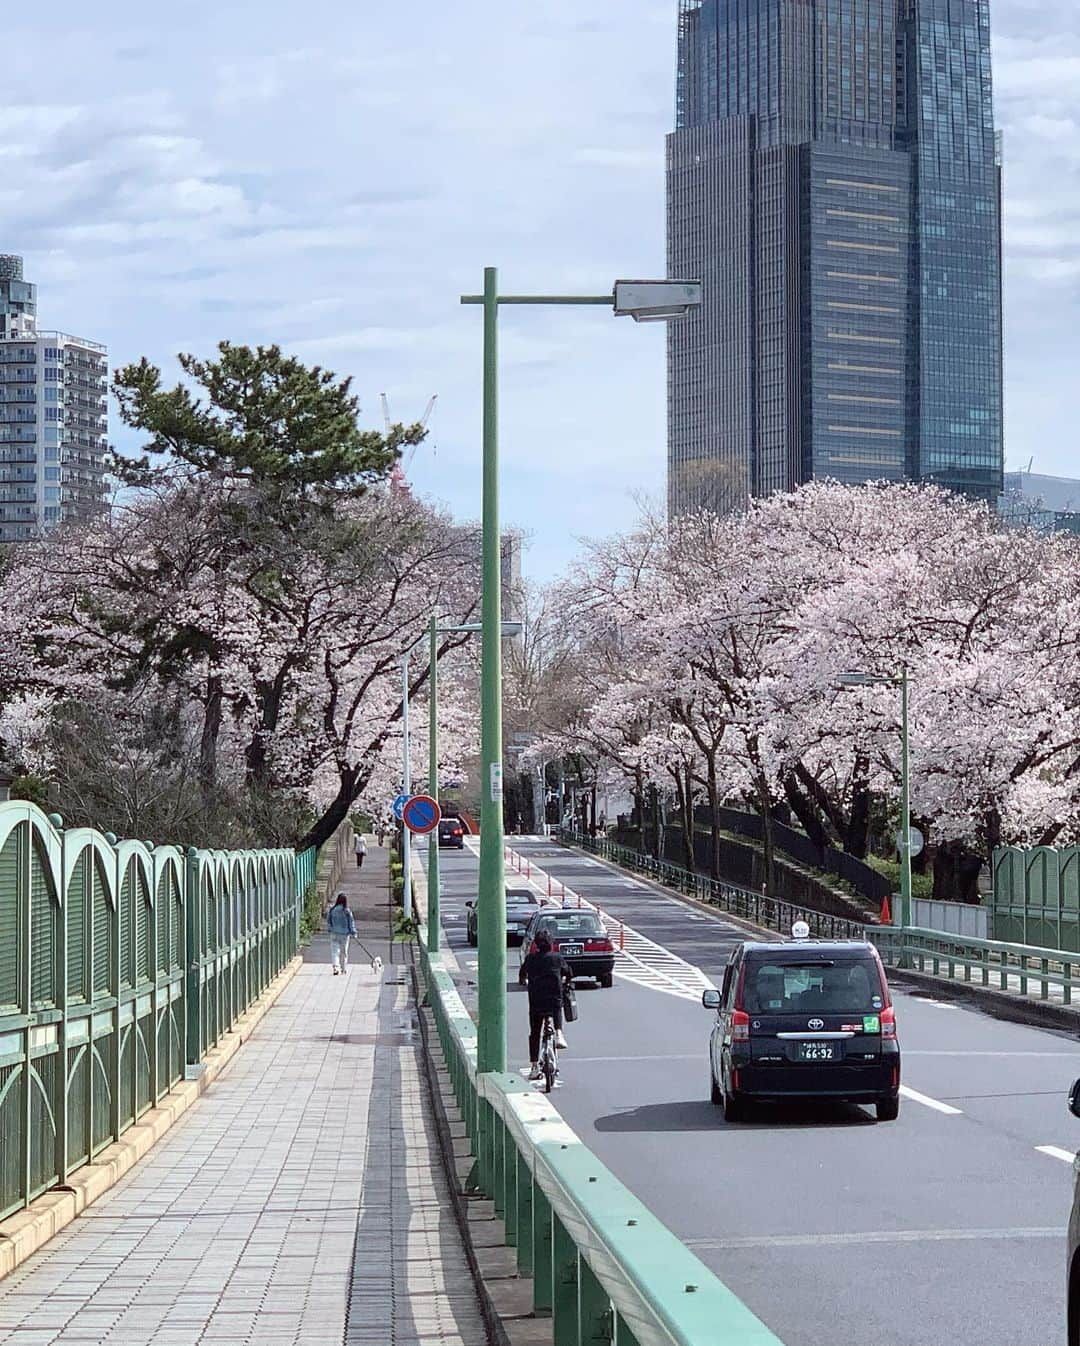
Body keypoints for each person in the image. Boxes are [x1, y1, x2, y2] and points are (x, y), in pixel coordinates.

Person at [518, 930, 571, 1080]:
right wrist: (566, 981)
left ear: (536, 944)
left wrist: (525, 981)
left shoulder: (530, 959)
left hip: (536, 1001)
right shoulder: (557, 958)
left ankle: (534, 1066)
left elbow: (522, 975)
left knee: (535, 1033)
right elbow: (568, 972)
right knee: (556, 1007)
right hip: (554, 999)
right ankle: (559, 1032)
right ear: (551, 944)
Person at [327, 893, 357, 975]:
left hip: (334, 933)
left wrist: (330, 929)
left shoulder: (332, 910)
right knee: (344, 952)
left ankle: (336, 967)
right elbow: (351, 922)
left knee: (335, 952)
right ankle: (343, 968)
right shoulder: (347, 911)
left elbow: (329, 921)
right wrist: (353, 932)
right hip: (344, 934)